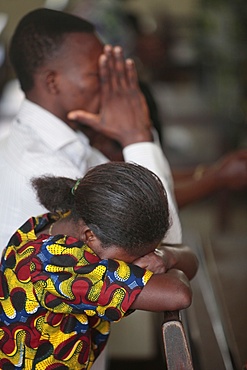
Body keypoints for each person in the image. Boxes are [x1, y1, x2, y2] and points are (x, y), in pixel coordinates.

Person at [0, 8, 180, 252]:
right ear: (52, 82)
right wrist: (136, 137)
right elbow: (158, 237)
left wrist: (139, 137)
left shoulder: (62, 140)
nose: (108, 84)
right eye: (97, 74)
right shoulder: (45, 169)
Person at [0, 162, 198, 369]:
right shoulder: (60, 265)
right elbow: (179, 293)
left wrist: (163, 256)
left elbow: (190, 260)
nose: (144, 261)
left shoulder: (55, 224)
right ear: (89, 235)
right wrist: (167, 259)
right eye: (134, 258)